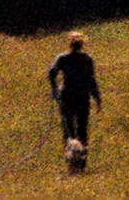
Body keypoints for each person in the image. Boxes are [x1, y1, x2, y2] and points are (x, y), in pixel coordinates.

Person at [46, 33, 97, 170]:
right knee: (82, 129)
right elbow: (91, 80)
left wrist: (54, 88)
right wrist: (97, 98)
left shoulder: (62, 58)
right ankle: (82, 161)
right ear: (82, 44)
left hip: (67, 96)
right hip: (83, 96)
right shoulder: (87, 59)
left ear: (70, 44)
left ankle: (71, 161)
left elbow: (52, 72)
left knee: (68, 130)